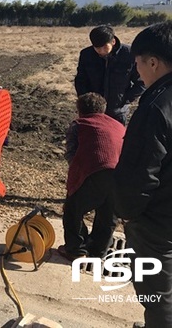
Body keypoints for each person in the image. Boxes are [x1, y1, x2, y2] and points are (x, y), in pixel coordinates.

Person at [113, 21, 172, 327]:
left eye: (137, 63)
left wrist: (127, 213)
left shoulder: (156, 107)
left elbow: (139, 174)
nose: (137, 71)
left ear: (153, 62)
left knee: (157, 292)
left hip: (158, 221)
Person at [57, 92, 125, 261]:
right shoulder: (118, 125)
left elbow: (72, 155)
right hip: (120, 174)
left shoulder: (79, 124)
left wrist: (76, 179)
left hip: (95, 171)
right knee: (108, 214)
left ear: (80, 110)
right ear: (103, 109)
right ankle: (98, 250)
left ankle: (76, 250)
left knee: (73, 209)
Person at [75, 25, 145, 125]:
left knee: (117, 139)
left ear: (113, 41)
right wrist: (85, 101)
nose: (101, 51)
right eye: (97, 48)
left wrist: (125, 99)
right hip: (92, 112)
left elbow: (141, 82)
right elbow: (80, 80)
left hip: (117, 112)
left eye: (104, 47)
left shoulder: (129, 55)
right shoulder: (86, 55)